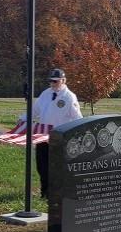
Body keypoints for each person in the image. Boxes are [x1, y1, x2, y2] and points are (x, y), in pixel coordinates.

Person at [22, 68, 83, 198]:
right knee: (42, 166)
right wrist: (23, 118)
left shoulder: (69, 97)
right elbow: (35, 110)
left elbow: (77, 118)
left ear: (63, 81)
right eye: (51, 81)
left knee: (56, 168)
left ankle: (57, 193)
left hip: (59, 137)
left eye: (55, 81)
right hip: (43, 135)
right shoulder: (45, 94)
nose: (52, 84)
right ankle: (45, 192)